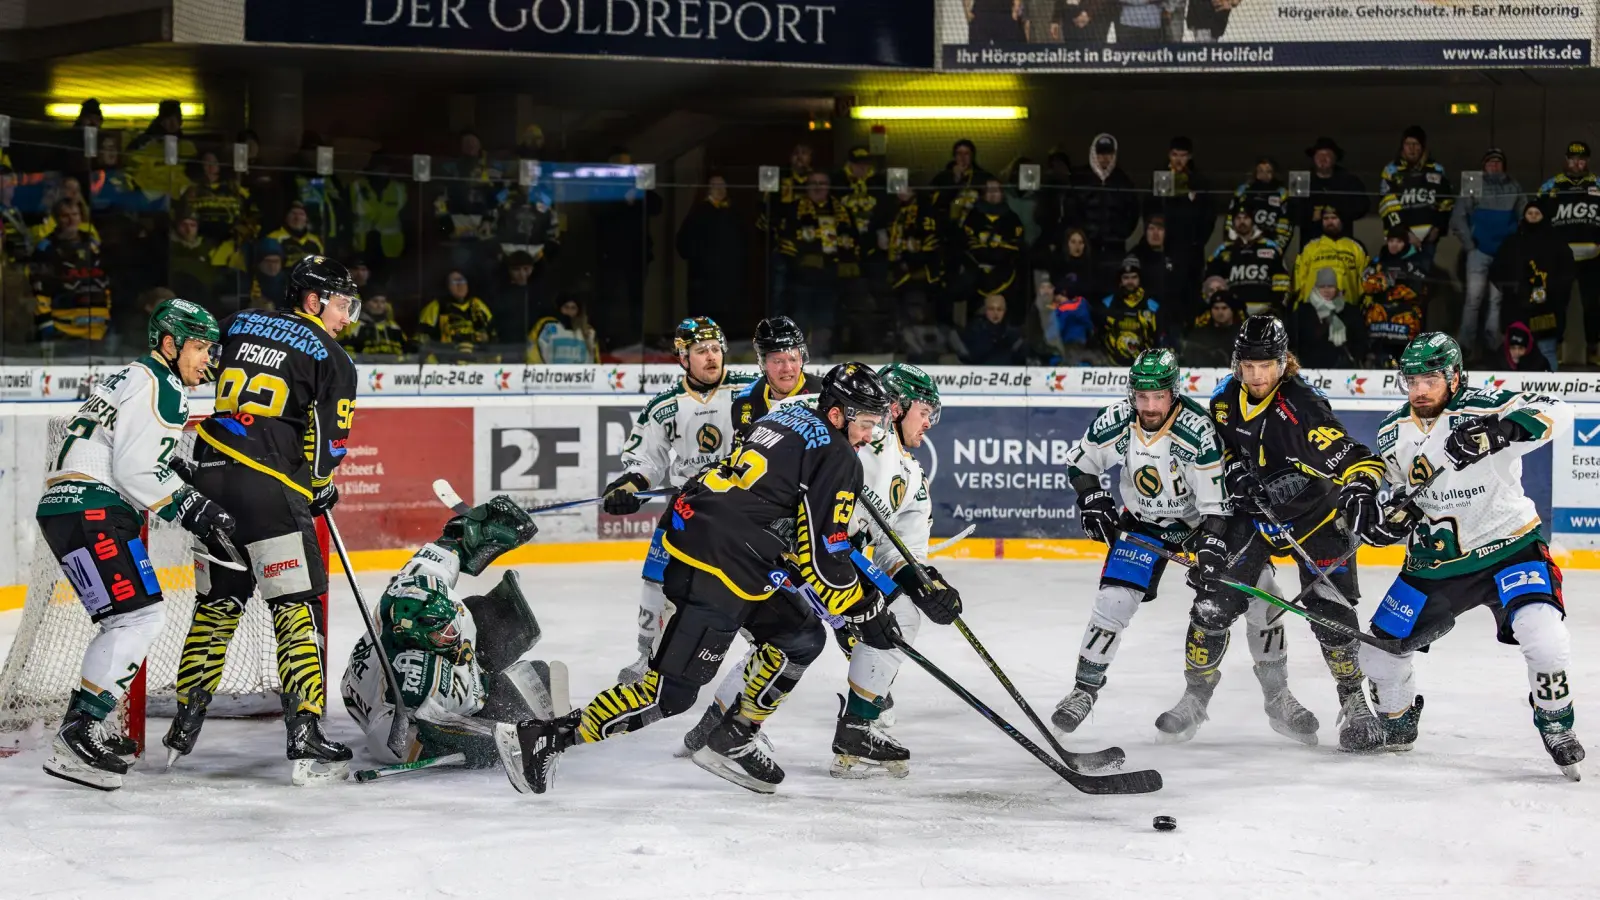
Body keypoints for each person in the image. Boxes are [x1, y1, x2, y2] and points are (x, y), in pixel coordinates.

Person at [496, 364, 898, 795]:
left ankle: (735, 737)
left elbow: (789, 517)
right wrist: (863, 608)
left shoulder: (790, 413)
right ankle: (545, 737)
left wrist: (853, 595)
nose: (870, 434)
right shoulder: (839, 456)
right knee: (669, 694)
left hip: (734, 551)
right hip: (716, 562)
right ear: (837, 415)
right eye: (866, 423)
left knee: (800, 637)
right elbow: (823, 557)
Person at [687, 364, 955, 777]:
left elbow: (899, 552)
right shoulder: (858, 431)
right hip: (786, 550)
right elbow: (788, 420)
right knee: (796, 630)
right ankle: (723, 725)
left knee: (895, 615)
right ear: (898, 407)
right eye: (925, 413)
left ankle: (855, 729)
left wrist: (926, 585)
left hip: (835, 560)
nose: (929, 425)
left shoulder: (914, 479)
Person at [164, 256, 361, 784]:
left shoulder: (235, 323)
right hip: (268, 487)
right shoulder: (332, 355)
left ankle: (185, 725)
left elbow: (194, 367)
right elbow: (330, 448)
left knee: (217, 604)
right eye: (341, 304)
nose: (347, 316)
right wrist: (318, 486)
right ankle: (305, 734)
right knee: (295, 607)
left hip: (207, 476)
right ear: (314, 301)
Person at [1053, 349, 1316, 742]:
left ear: (1173, 393)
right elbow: (1080, 463)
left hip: (1200, 524)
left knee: (1264, 594)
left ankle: (1277, 696)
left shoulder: (1197, 429)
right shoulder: (1117, 419)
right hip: (1144, 525)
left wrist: (1210, 546)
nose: (1149, 406)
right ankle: (1083, 690)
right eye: (1142, 396)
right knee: (1113, 602)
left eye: (1158, 396)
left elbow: (1216, 505)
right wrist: (1090, 497)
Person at [33, 299, 233, 790]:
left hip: (64, 510)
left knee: (122, 620)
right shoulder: (162, 384)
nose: (207, 358)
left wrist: (176, 477)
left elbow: (134, 453)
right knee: (141, 617)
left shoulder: (130, 375)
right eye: (200, 347)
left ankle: (84, 727)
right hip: (94, 509)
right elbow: (135, 470)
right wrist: (193, 508)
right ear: (169, 344)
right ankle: (76, 735)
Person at [1360, 334, 1580, 778]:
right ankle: (1399, 721)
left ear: (1454, 376)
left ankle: (1555, 722)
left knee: (1545, 639)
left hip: (1511, 549)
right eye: (1412, 380)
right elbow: (1401, 493)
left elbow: (1558, 411)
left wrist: (1499, 432)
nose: (1420, 390)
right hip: (1437, 563)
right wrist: (1388, 519)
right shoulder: (1392, 431)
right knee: (1379, 656)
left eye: (1431, 379)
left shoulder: (1486, 406)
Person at [1167, 315, 1387, 751]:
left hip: (1315, 520)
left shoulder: (1302, 407)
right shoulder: (1225, 399)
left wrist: (1361, 489)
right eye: (1247, 365)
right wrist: (1233, 472)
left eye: (1265, 365)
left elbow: (1360, 460)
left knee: (1332, 615)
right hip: (1255, 518)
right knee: (1212, 603)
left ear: (1283, 363)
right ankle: (1194, 697)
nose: (1255, 375)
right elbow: (1216, 453)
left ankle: (1355, 704)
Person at [341, 496, 548, 767]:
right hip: (421, 710)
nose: (453, 633)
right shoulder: (414, 682)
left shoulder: (411, 588)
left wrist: (472, 529)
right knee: (527, 688)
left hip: (407, 678)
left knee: (481, 613)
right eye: (443, 632)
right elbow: (389, 746)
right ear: (416, 639)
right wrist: (472, 741)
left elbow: (448, 548)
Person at [604, 317, 756, 686]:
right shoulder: (664, 407)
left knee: (753, 583)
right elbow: (646, 461)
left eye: (716, 349)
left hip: (746, 507)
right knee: (656, 580)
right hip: (690, 504)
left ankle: (764, 649)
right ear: (682, 358)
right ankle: (647, 658)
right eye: (701, 351)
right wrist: (629, 485)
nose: (711, 357)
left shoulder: (751, 392)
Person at [1449, 149, 1525, 360]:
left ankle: (1495, 349)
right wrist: (1470, 245)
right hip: (1478, 252)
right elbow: (1458, 217)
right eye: (1490, 162)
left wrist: (1514, 245)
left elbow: (1524, 216)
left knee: (1496, 302)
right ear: (1483, 165)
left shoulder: (1514, 185)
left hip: (1503, 256)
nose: (1494, 166)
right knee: (1473, 300)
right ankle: (1464, 349)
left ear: (1504, 166)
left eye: (1498, 162)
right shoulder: (1473, 182)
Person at [1534, 141, 1600, 366]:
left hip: (1593, 257)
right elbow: (1535, 218)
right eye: (1572, 158)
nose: (1577, 163)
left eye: (1581, 159)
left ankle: (1593, 349)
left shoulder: (1598, 185)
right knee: (1557, 304)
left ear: (1588, 161)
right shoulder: (1550, 186)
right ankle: (1556, 350)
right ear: (1566, 159)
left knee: (1593, 305)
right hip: (1561, 258)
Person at [777, 172, 856, 356]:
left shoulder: (842, 211)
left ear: (829, 186)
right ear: (806, 186)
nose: (818, 187)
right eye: (813, 183)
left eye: (822, 183)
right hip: (801, 278)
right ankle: (796, 360)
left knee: (825, 321)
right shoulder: (794, 210)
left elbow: (852, 242)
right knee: (799, 321)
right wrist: (801, 262)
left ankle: (821, 359)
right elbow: (785, 243)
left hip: (830, 279)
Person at [1491, 203, 1575, 368]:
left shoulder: (1557, 243)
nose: (1534, 216)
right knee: (1515, 352)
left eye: (1538, 213)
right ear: (1524, 216)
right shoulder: (1512, 243)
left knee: (1547, 350)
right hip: (1517, 310)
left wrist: (1553, 291)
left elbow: (1568, 272)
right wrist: (1512, 289)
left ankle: (1550, 393)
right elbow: (1496, 271)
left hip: (1547, 310)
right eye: (1530, 212)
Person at [1145, 137, 1216, 320]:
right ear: (1169, 155)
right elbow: (1148, 210)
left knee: (1190, 294)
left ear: (1190, 157)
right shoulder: (1159, 179)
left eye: (1183, 156)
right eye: (1175, 155)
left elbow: (1209, 216)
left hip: (1190, 249)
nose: (1178, 160)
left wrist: (1197, 241)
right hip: (1164, 248)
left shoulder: (1199, 182)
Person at [31, 197, 111, 349]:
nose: (71, 220)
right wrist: (46, 325)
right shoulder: (46, 248)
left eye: (75, 214)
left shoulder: (93, 244)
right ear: (56, 219)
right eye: (65, 216)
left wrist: (108, 318)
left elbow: (106, 283)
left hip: (99, 330)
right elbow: (39, 290)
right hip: (64, 332)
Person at [1378, 126, 1454, 276]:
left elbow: (1446, 202)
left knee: (1421, 280)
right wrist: (1405, 234)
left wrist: (1438, 228)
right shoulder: (1391, 170)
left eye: (1416, 144)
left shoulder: (1437, 169)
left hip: (1429, 238)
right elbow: (1386, 205)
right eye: (1408, 144)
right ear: (1402, 146)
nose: (1412, 149)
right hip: (1399, 239)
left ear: (1423, 147)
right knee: (1398, 279)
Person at [1072, 134, 1140, 292]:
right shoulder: (1081, 178)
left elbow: (1133, 212)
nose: (1104, 158)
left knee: (1111, 290)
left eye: (1108, 154)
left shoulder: (1123, 180)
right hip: (1086, 248)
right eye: (1101, 154)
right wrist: (1081, 237)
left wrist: (1120, 233)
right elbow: (1072, 211)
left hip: (1114, 249)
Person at [676, 174, 746, 327]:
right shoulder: (699, 213)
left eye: (722, 186)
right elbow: (684, 243)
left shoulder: (733, 213)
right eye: (715, 186)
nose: (720, 190)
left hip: (727, 277)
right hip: (705, 277)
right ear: (708, 190)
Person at [732, 316, 813, 439]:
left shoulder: (824, 395)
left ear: (801, 359)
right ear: (763, 364)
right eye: (778, 361)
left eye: (793, 359)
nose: (787, 368)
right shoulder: (746, 402)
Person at [1360, 225, 1430, 367]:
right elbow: (1366, 284)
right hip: (1380, 316)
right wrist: (1384, 280)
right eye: (1391, 241)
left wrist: (1402, 281)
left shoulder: (1415, 261)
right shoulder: (1378, 261)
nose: (1394, 245)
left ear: (1405, 243)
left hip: (1404, 314)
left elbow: (1419, 289)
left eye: (1398, 242)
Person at [1204, 207, 1291, 319]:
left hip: (1265, 311)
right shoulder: (1222, 250)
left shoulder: (1271, 247)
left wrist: (1277, 306)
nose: (1242, 221)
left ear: (1253, 220)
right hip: (1233, 314)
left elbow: (1283, 281)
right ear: (1233, 222)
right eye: (1238, 218)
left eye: (1246, 218)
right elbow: (1209, 282)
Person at [963, 177, 1027, 316]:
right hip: (976, 273)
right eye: (989, 190)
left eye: (996, 190)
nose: (992, 194)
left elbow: (1016, 245)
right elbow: (968, 242)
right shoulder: (972, 217)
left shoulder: (1012, 219)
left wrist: (996, 256)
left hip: (1004, 273)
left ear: (1002, 193)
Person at [1297, 137, 1370, 249]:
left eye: (1327, 155)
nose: (1323, 158)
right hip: (1310, 245)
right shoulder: (1301, 180)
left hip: (1342, 244)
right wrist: (1312, 214)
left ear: (1335, 158)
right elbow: (1292, 212)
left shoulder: (1349, 180)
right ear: (1313, 158)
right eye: (1319, 155)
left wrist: (1339, 214)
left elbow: (1363, 206)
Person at [1295, 207, 1368, 309]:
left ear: (1341, 220)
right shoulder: (1309, 247)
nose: (1330, 222)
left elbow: (1365, 282)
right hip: (1314, 309)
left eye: (1334, 218)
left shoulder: (1356, 248)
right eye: (1326, 218)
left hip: (1348, 308)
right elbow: (1298, 281)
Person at [417, 270, 495, 364]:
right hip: (448, 363)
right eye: (455, 282)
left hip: (477, 363)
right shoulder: (436, 307)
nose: (460, 285)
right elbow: (422, 339)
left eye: (462, 281)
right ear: (446, 286)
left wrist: (487, 337)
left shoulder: (477, 304)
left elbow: (493, 332)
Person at [1098, 257, 1162, 365]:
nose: (1130, 282)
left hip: (1145, 366)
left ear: (1140, 279)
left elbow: (1159, 339)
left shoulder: (1153, 306)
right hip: (1110, 365)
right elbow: (1099, 337)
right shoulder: (1107, 304)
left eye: (1134, 277)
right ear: (1121, 280)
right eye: (1126, 278)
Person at [1293, 268, 1361, 368]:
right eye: (1322, 286)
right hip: (1309, 367)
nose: (1326, 290)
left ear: (1336, 288)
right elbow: (1294, 340)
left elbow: (1358, 339)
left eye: (1330, 286)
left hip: (1342, 369)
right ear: (1316, 287)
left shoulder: (1349, 311)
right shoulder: (1303, 311)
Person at [1226, 157, 1294, 247]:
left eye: (1268, 171)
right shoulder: (1243, 190)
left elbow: (1285, 224)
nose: (1264, 174)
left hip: (1270, 244)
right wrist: (1232, 243)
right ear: (1255, 173)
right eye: (1260, 171)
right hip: (1242, 243)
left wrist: (1277, 247)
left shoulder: (1282, 193)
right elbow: (1230, 219)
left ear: (1274, 174)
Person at [341, 286, 411, 360]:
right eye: (375, 301)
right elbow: (346, 352)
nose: (379, 305)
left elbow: (406, 351)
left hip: (395, 368)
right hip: (364, 368)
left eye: (383, 302)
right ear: (365, 303)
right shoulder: (354, 326)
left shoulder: (394, 327)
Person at [527, 297, 599, 364]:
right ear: (560, 308)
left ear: (578, 311)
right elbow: (533, 350)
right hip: (552, 375)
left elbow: (595, 358)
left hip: (580, 375)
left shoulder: (588, 332)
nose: (569, 311)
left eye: (573, 308)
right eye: (566, 307)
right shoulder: (547, 326)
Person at [1181, 289, 1242, 367]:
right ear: (1211, 310)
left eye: (1224, 308)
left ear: (1232, 310)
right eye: (1216, 308)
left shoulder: (1242, 335)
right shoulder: (1198, 335)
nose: (1220, 312)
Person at [960, 294, 1026, 365]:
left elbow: (1020, 358)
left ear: (1004, 311)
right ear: (985, 310)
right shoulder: (973, 331)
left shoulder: (1014, 334)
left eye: (999, 309)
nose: (995, 313)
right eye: (991, 309)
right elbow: (967, 356)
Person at [1130, 213, 1173, 312]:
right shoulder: (1135, 257)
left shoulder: (1173, 256)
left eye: (1160, 229)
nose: (1155, 233)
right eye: (1151, 228)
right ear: (1145, 232)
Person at [265, 200, 325, 269]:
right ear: (286, 217)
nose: (297, 218)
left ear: (306, 219)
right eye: (293, 213)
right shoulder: (273, 238)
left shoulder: (315, 240)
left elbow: (322, 264)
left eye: (301, 214)